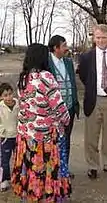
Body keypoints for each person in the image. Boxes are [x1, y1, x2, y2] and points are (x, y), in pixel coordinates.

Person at [11, 43, 71, 202]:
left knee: (29, 167)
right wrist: (66, 120)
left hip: (25, 134)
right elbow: (59, 106)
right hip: (44, 137)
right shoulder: (46, 77)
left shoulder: (22, 78)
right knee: (45, 169)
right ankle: (45, 196)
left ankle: (30, 196)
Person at [78, 24, 107, 179]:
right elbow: (84, 76)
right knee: (91, 135)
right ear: (93, 38)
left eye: (104, 37)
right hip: (94, 99)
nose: (101, 40)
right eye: (98, 37)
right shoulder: (86, 57)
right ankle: (92, 165)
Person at [48, 35, 79, 178]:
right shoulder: (47, 63)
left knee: (66, 138)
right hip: (54, 111)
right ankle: (53, 168)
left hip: (70, 108)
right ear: (56, 48)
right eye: (64, 45)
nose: (67, 48)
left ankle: (64, 168)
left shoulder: (68, 62)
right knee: (53, 139)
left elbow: (72, 82)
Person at [0, 83, 18, 191]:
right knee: (5, 160)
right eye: (5, 95)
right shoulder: (0, 107)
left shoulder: (18, 104)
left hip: (17, 136)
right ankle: (5, 180)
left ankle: (17, 178)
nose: (9, 97)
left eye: (10, 94)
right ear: (1, 97)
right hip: (5, 137)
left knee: (18, 159)